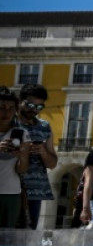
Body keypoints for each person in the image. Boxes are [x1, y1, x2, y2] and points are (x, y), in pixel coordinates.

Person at [17, 84, 56, 230]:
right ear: (19, 101)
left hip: (35, 191)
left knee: (28, 235)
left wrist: (42, 151)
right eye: (30, 105)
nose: (34, 110)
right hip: (11, 188)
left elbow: (52, 164)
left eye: (39, 107)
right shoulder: (8, 123)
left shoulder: (44, 126)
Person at [0, 87, 30, 228]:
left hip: (11, 194)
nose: (6, 112)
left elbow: (22, 170)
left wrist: (22, 157)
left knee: (7, 237)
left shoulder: (21, 134)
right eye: (2, 108)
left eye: (11, 108)